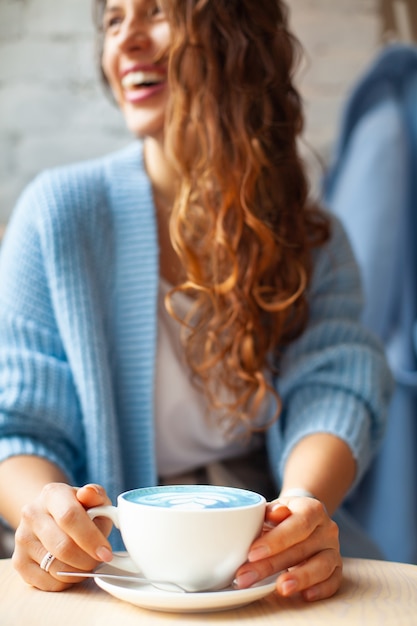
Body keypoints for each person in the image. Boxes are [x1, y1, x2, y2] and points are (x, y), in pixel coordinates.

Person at [0, 0, 392, 602]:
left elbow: (335, 385)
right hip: (107, 570)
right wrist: (47, 516)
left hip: (258, 562)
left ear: (234, 33)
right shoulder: (57, 217)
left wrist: (299, 514)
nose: (126, 40)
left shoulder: (311, 239)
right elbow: (19, 427)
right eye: (112, 20)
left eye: (155, 11)